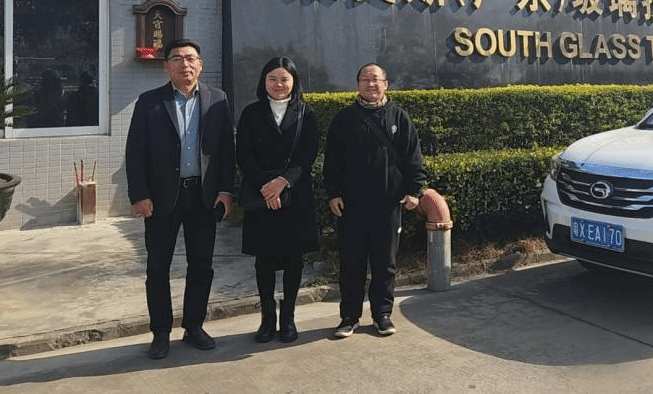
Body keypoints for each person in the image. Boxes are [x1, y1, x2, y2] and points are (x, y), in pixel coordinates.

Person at [125, 39, 235, 360]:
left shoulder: (217, 99)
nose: (185, 64)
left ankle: (194, 326)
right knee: (158, 267)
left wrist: (226, 191)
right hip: (161, 199)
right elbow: (135, 152)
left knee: (201, 265)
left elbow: (227, 150)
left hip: (203, 196)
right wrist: (139, 195)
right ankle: (160, 333)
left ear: (200, 64)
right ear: (166, 66)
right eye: (177, 58)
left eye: (190, 58)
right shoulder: (149, 101)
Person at [323, 62, 427, 338]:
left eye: (376, 79)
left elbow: (413, 157)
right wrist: (333, 193)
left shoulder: (399, 117)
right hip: (352, 205)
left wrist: (414, 190)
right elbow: (332, 160)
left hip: (388, 204)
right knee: (351, 261)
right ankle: (349, 316)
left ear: (386, 84)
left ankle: (382, 314)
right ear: (358, 84)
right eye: (365, 79)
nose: (371, 84)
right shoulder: (344, 118)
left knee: (385, 263)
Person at [235, 56, 320, 343]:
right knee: (264, 260)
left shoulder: (306, 113)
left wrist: (283, 182)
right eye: (272, 78)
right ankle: (267, 319)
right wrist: (266, 187)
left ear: (294, 82)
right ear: (264, 81)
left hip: (295, 195)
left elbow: (308, 155)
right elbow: (243, 154)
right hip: (261, 196)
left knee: (294, 259)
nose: (278, 84)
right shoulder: (251, 113)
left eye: (284, 79)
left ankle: (288, 319)